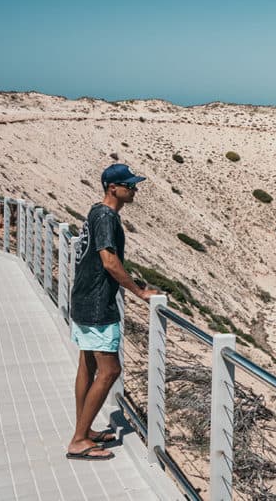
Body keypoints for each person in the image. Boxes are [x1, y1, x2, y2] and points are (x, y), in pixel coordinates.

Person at [66, 163, 158, 461]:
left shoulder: (96, 211)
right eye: (129, 185)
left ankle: (85, 430)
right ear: (113, 188)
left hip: (82, 299)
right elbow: (109, 261)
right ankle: (79, 440)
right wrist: (140, 292)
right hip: (97, 304)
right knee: (110, 370)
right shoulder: (107, 217)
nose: (134, 190)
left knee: (87, 367)